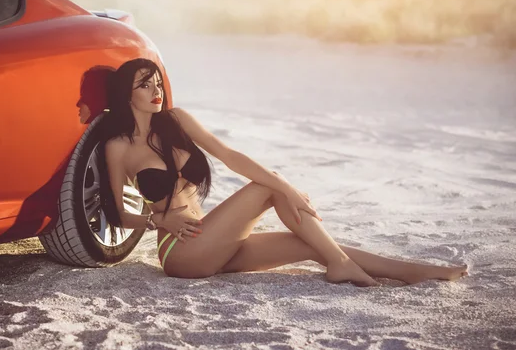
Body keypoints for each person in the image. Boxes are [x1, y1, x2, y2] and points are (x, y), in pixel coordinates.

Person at [97, 58, 469, 286]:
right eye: (144, 85)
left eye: (157, 81)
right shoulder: (119, 147)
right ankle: (341, 265)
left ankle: (410, 271)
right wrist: (160, 224)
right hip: (181, 253)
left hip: (211, 238)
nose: (155, 90)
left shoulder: (176, 121)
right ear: (127, 95)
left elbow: (230, 155)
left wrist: (286, 187)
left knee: (310, 243)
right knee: (266, 189)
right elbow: (115, 213)